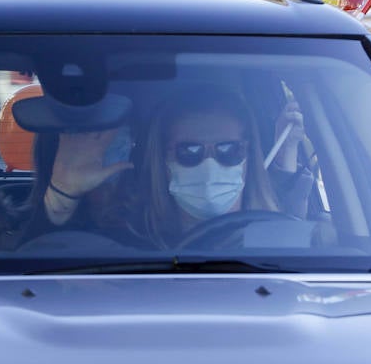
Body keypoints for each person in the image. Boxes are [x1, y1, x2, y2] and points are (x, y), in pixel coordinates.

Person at [31, 89, 312, 246]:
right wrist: (62, 193)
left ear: (248, 156)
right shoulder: (128, 241)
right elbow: (36, 276)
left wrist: (287, 155)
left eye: (229, 151)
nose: (210, 165)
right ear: (162, 161)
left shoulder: (278, 244)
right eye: (189, 151)